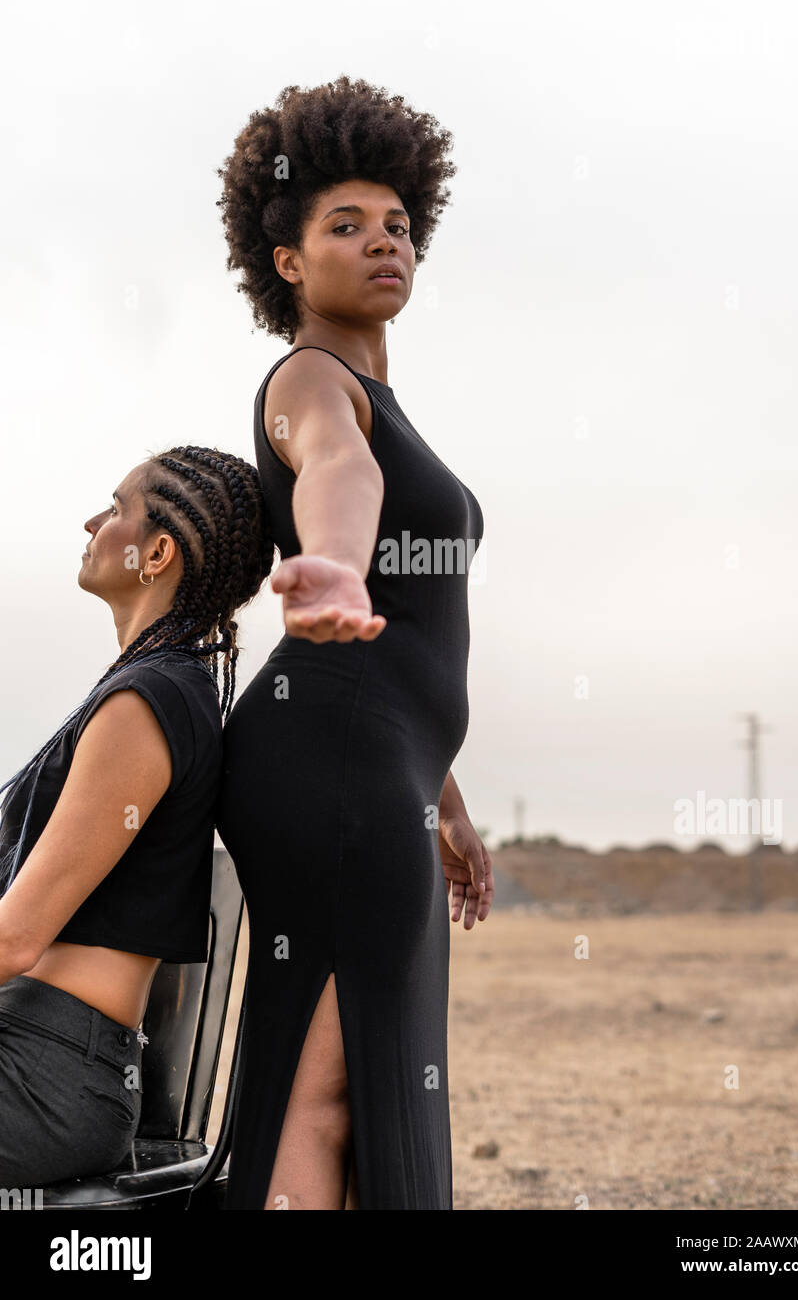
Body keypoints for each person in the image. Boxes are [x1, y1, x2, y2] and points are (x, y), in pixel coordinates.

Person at [214, 74, 494, 1211]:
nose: (385, 245)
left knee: (369, 1074)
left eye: (398, 226)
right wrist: (328, 559)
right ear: (287, 260)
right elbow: (340, 468)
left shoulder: (385, 392)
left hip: (375, 764)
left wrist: (441, 792)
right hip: (324, 760)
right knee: (328, 1093)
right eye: (346, 226)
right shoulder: (309, 380)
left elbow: (407, 644)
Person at [0, 446, 273, 1187]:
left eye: (115, 507)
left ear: (157, 552)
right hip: (42, 1052)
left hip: (44, 1073)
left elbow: (15, 939)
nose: (92, 521)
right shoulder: (159, 687)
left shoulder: (144, 705)